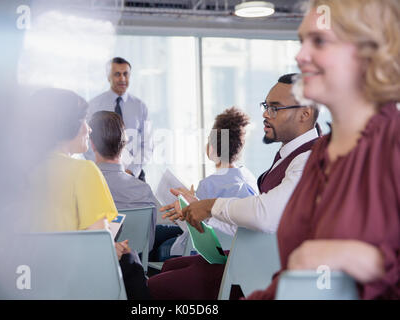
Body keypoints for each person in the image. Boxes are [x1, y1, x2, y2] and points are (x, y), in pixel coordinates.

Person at [193, 0, 400, 300]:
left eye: (318, 42)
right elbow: (294, 273)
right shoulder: (322, 153)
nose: (301, 55)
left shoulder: (388, 148)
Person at [149, 75, 320, 299]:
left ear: (304, 114)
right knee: (171, 267)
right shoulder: (289, 155)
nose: (266, 114)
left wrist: (210, 206)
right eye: (266, 106)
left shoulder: (310, 160)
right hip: (254, 256)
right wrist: (200, 207)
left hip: (268, 271)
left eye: (275, 108)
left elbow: (265, 216)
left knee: (156, 286)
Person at [26, 88, 150, 299]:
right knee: (131, 262)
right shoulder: (84, 171)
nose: (89, 129)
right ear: (67, 127)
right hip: (75, 283)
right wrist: (113, 248)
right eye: (84, 120)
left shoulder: (24, 173)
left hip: (33, 281)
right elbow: (98, 250)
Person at [151, 107, 259, 263]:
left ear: (212, 148)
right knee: (161, 233)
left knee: (159, 245)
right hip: (238, 248)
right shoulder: (249, 178)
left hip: (204, 251)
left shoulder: (208, 185)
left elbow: (193, 228)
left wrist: (182, 207)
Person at [89, 110, 159, 252]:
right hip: (136, 263)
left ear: (92, 144)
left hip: (97, 265)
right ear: (124, 144)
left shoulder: (85, 186)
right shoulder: (143, 190)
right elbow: (148, 245)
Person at [88, 57, 153, 182]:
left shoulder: (140, 106)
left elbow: (148, 144)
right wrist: (103, 170)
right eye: (117, 74)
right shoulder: (94, 105)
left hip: (134, 175)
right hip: (102, 175)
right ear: (108, 77)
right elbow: (88, 141)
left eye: (126, 74)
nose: (122, 79)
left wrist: (131, 171)